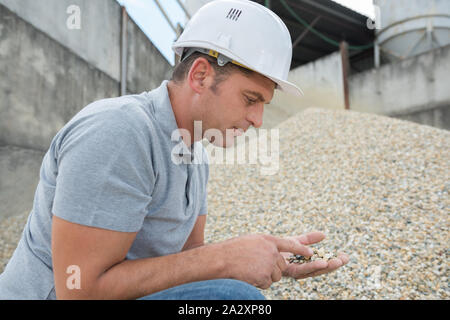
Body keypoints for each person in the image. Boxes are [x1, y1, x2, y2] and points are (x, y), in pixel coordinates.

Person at [0, 0, 348, 300]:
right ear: (200, 76)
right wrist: (225, 259)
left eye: (263, 105)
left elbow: (187, 258)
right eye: (250, 99)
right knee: (233, 299)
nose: (257, 120)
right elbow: (80, 290)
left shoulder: (195, 152)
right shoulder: (119, 131)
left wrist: (269, 259)